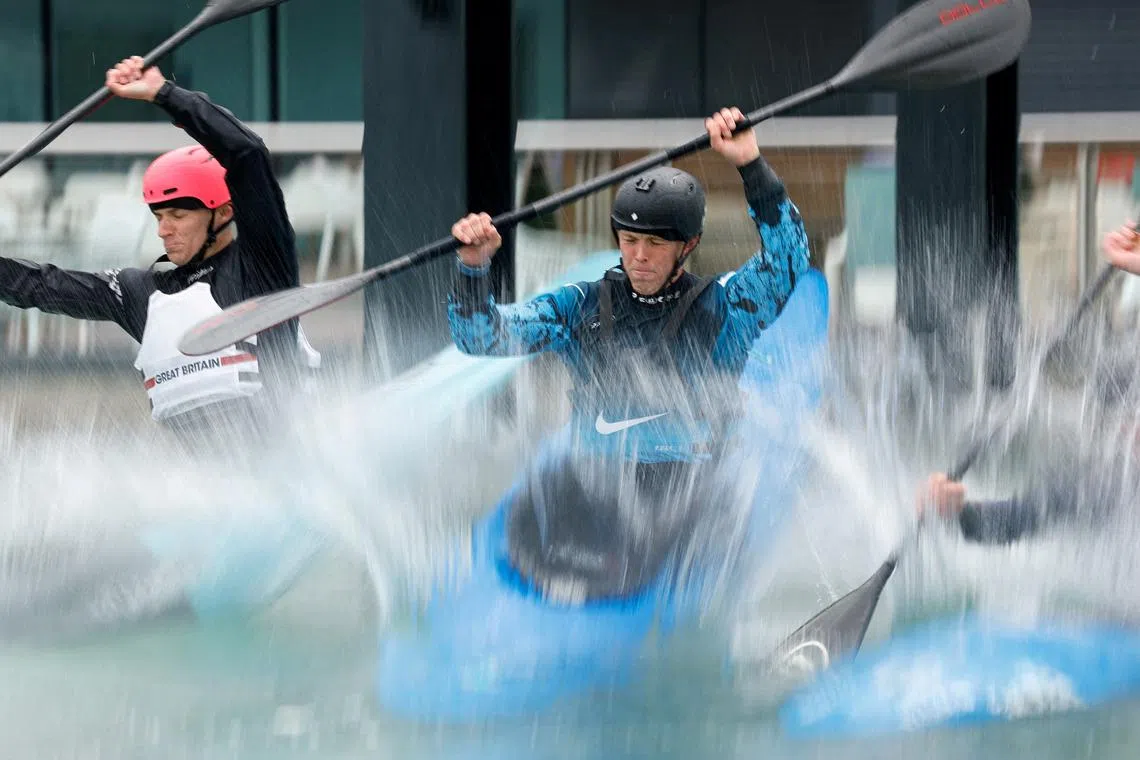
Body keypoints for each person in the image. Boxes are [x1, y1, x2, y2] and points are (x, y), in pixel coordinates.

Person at [447, 106, 811, 602]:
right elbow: (482, 338)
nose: (638, 256)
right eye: (629, 240)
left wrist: (749, 164)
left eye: (655, 244)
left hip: (689, 483)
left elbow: (788, 263)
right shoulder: (579, 309)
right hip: (598, 479)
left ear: (689, 246)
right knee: (547, 494)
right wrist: (473, 268)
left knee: (685, 517)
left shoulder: (726, 311)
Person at [0, 56, 318, 444]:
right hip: (209, 487)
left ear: (224, 213)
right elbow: (35, 285)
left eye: (179, 215)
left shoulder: (263, 266)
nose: (163, 230)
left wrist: (164, 94)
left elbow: (248, 155)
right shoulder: (138, 293)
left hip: (289, 470)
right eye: (159, 216)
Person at [917, 219, 1140, 545]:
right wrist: (953, 510)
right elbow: (1012, 520)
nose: (1126, 435)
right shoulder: (1111, 486)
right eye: (1126, 424)